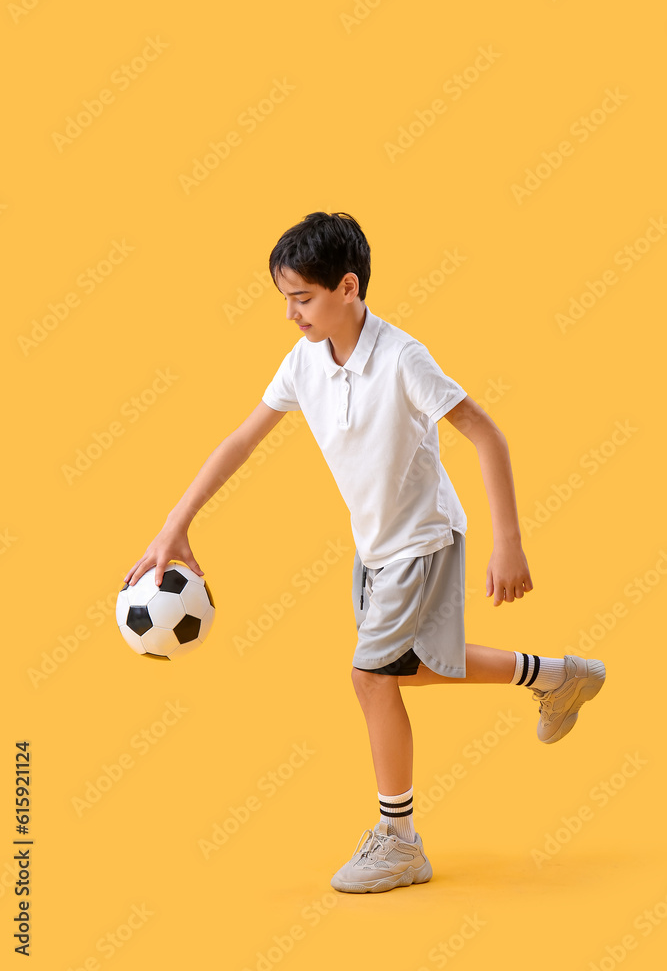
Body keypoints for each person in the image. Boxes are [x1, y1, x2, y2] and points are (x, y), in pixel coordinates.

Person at [123, 211, 606, 894]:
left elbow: (485, 434)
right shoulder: (304, 361)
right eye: (284, 299)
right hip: (375, 545)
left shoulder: (402, 357)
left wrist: (508, 545)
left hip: (421, 539)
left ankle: (400, 840)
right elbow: (239, 440)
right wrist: (176, 523)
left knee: (369, 677)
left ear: (347, 288)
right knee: (403, 671)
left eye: (302, 299)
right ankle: (555, 676)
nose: (290, 315)